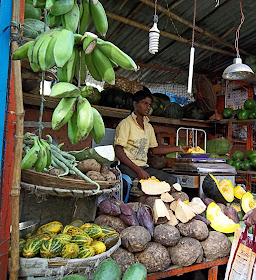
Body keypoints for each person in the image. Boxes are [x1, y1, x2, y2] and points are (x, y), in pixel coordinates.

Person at [114, 89, 190, 186]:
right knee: (129, 182)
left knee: (173, 181)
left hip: (144, 167)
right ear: (135, 104)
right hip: (126, 166)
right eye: (144, 103)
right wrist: (138, 170)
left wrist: (179, 148)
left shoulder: (148, 126)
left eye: (149, 104)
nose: (148, 107)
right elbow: (118, 151)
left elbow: (154, 150)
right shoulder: (125, 124)